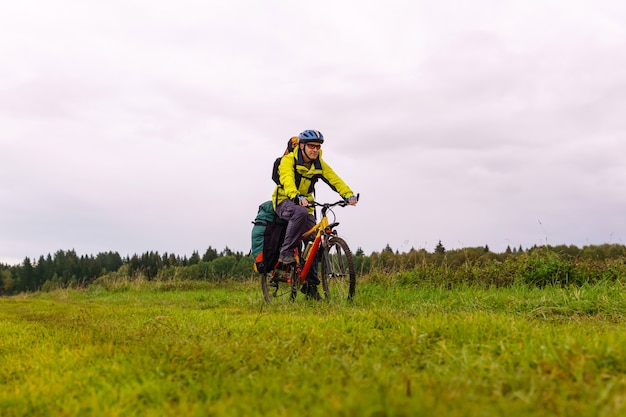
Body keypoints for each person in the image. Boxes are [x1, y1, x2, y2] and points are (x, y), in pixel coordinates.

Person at [272, 129, 357, 300]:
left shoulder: (318, 163)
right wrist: (295, 195)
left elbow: (334, 178)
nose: (315, 149)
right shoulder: (288, 161)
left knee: (314, 242)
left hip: (306, 205)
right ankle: (286, 252)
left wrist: (348, 195)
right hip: (284, 202)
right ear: (302, 146)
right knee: (300, 212)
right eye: (311, 146)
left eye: (317, 146)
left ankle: (311, 287)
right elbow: (287, 179)